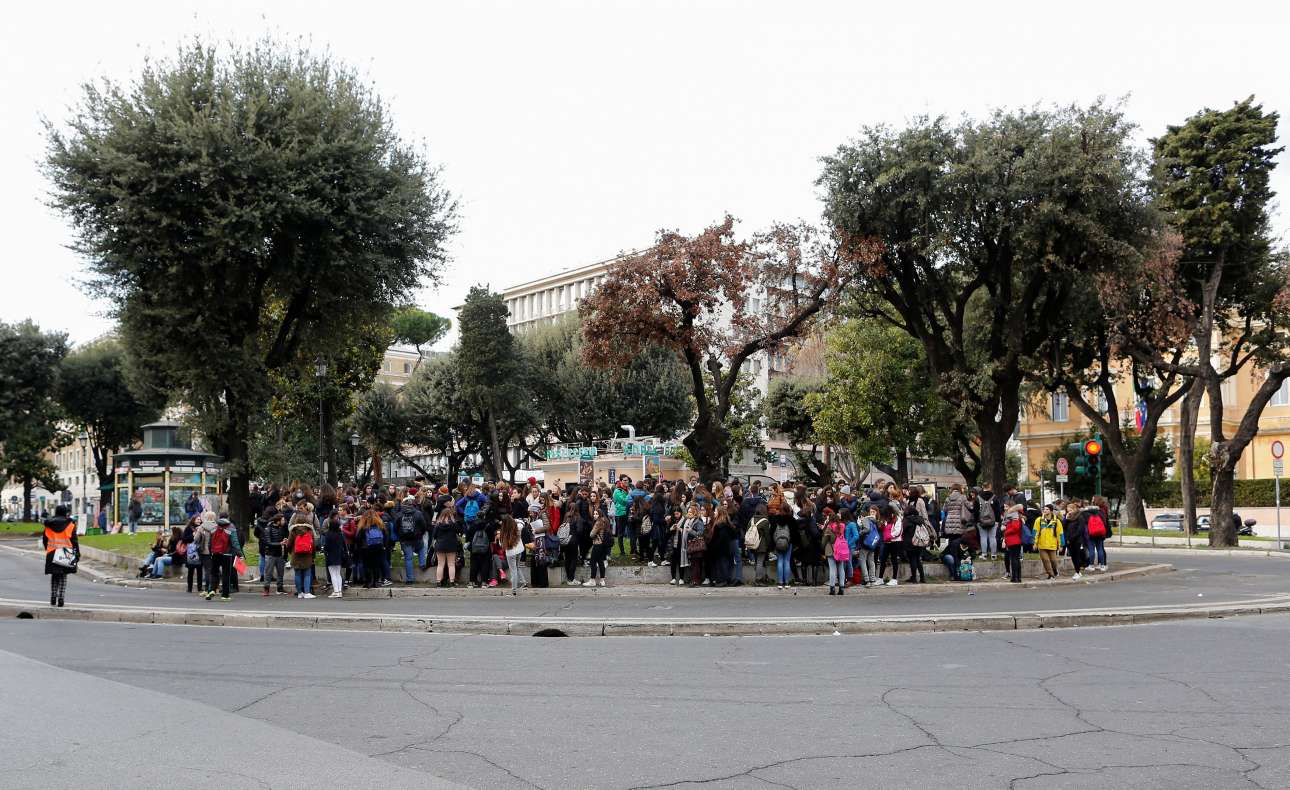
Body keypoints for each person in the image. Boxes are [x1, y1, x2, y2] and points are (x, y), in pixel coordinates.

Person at [43, 505, 79, 607]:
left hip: (52, 551)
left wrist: (47, 548)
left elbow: (45, 539)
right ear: (65, 513)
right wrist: (77, 554)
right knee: (63, 576)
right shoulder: (70, 525)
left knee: (54, 575)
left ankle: (53, 597)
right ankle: (61, 598)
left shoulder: (49, 524)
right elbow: (74, 541)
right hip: (65, 553)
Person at [206, 515, 241, 601]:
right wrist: (239, 554)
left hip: (215, 554)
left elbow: (210, 544)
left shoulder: (213, 529)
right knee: (226, 575)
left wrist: (211, 553)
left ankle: (211, 590)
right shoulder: (231, 529)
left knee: (214, 572)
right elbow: (235, 543)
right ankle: (225, 595)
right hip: (227, 555)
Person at [395, 495, 427, 585]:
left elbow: (395, 528)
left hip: (405, 540)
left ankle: (410, 579)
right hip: (417, 538)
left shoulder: (399, 514)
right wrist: (421, 533)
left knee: (408, 559)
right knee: (421, 548)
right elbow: (424, 526)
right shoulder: (418, 513)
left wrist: (400, 536)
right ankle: (422, 564)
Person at [256, 511, 288, 596]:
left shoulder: (282, 528)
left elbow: (283, 538)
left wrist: (285, 541)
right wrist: (280, 543)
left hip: (280, 554)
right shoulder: (268, 529)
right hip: (270, 554)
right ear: (278, 521)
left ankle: (280, 588)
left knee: (281, 572)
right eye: (282, 520)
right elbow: (268, 542)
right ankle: (266, 589)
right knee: (268, 573)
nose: (284, 522)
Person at [1033, 504, 1065, 579]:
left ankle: (1055, 570)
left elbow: (1060, 534)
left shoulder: (1056, 521)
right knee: (1045, 560)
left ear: (1051, 511)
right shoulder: (1039, 520)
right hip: (1042, 545)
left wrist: (1061, 545)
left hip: (1052, 545)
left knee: (1053, 561)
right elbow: (1035, 532)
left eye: (1047, 509)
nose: (1045, 511)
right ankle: (1051, 575)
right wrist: (1034, 543)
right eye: (1044, 509)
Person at [432, 508, 462, 587]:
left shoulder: (438, 524)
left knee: (440, 564)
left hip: (440, 545)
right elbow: (459, 531)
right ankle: (452, 582)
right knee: (451, 564)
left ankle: (438, 582)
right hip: (451, 545)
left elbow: (434, 535)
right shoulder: (454, 524)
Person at [466, 508, 494, 589]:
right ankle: (484, 583)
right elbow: (492, 539)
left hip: (474, 548)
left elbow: (468, 537)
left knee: (473, 564)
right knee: (485, 564)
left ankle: (471, 582)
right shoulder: (488, 525)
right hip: (486, 548)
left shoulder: (472, 525)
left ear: (476, 516)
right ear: (484, 516)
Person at [322, 515, 349, 598]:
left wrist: (324, 550)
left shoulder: (328, 534)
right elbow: (344, 545)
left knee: (333, 574)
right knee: (338, 574)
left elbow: (326, 546)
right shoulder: (340, 534)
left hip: (330, 555)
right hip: (339, 555)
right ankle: (339, 591)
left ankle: (336, 591)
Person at [823, 510, 848, 595]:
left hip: (831, 549)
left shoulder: (829, 527)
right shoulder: (842, 526)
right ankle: (841, 588)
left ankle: (832, 588)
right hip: (841, 549)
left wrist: (822, 547)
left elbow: (825, 540)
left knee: (832, 569)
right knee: (841, 568)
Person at [499, 515, 526, 594]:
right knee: (517, 567)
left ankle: (514, 589)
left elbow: (501, 544)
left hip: (510, 553)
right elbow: (522, 523)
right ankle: (523, 582)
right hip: (519, 550)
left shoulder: (503, 532)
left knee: (513, 570)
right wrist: (516, 520)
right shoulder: (518, 527)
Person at [1064, 501, 1090, 581]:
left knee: (1077, 556)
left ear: (1074, 509)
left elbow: (1080, 529)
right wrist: (1066, 519)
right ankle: (1077, 571)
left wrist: (1073, 537)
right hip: (1069, 540)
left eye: (1070, 510)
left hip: (1077, 540)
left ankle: (1077, 571)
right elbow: (1064, 527)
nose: (1069, 512)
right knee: (1072, 556)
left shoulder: (1079, 517)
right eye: (1068, 510)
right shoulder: (1068, 517)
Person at [856, 505, 879, 587]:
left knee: (862, 561)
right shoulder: (874, 520)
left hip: (865, 543)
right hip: (872, 543)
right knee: (871, 561)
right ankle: (872, 579)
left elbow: (867, 529)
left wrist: (860, 531)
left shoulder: (865, 519)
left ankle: (866, 580)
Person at [1001, 504, 1025, 583]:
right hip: (1015, 540)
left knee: (1014, 559)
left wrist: (1006, 531)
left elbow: (1015, 528)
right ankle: (1017, 577)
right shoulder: (1016, 517)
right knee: (1016, 559)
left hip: (1013, 540)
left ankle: (1015, 577)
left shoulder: (1015, 517)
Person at [586, 514, 611, 587]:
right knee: (601, 562)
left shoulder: (598, 522)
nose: (594, 515)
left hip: (597, 544)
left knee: (592, 561)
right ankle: (602, 580)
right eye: (594, 514)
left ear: (599, 515)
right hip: (603, 545)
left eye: (596, 514)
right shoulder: (605, 521)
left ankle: (592, 580)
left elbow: (591, 534)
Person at [976, 487, 999, 560]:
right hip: (992, 521)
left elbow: (975, 511)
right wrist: (997, 521)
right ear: (990, 487)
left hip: (981, 521)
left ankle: (984, 555)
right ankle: (993, 555)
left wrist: (977, 521)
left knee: (983, 537)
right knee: (992, 537)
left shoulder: (978, 498)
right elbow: (997, 510)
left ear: (983, 487)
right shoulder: (994, 497)